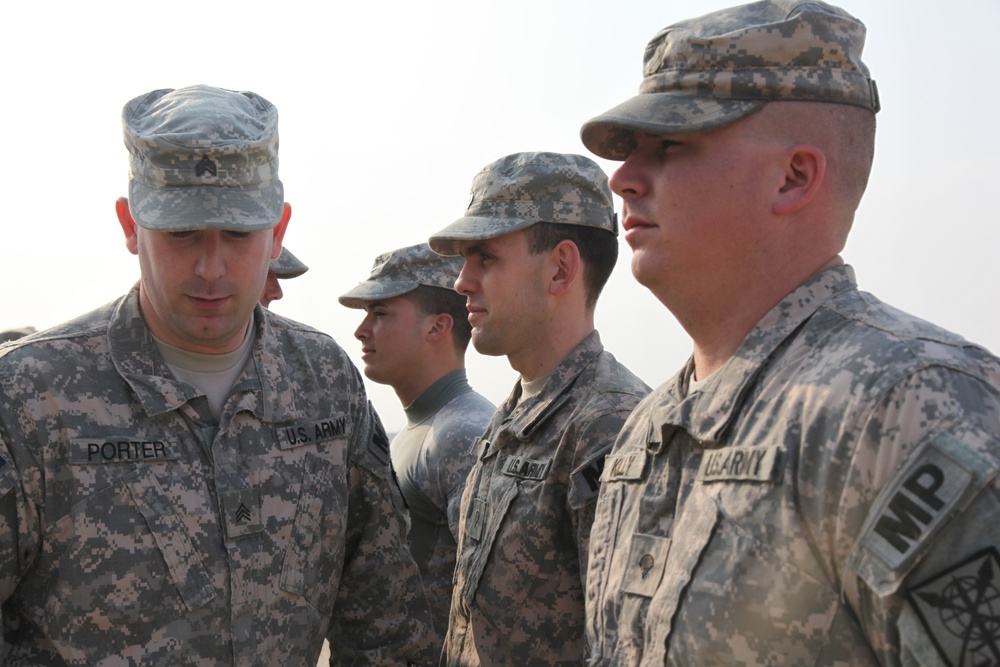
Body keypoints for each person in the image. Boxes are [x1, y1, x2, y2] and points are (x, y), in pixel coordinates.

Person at [578, 2, 1000, 665]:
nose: (623, 179)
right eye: (630, 152)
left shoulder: (912, 409)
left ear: (794, 177)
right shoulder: (650, 427)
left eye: (669, 146)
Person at [0, 85, 434, 665]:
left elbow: (383, 626)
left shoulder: (324, 383)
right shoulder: (31, 395)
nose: (211, 268)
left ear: (278, 231)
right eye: (181, 235)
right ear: (130, 225)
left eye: (237, 235)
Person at [428, 151, 650, 666]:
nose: (461, 281)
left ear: (560, 268)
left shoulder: (609, 426)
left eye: (484, 257)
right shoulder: (516, 412)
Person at [339, 242, 495, 653]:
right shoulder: (418, 431)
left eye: (381, 313)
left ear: (437, 327)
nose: (362, 329)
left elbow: (496, 605)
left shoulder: (462, 435)